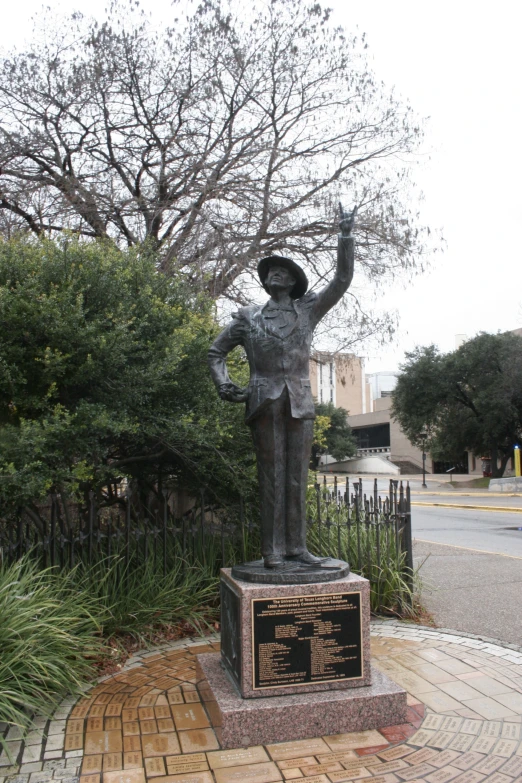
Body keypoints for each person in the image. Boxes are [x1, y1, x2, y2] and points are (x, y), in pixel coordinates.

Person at [208, 206, 356, 569]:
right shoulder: (247, 318)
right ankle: (271, 550)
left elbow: (341, 280)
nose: (273, 274)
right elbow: (216, 352)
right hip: (263, 402)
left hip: (300, 403)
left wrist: (345, 237)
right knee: (271, 479)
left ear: (292, 282)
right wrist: (224, 383)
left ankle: (297, 549)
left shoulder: (308, 310)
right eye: (270, 271)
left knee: (295, 478)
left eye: (282, 271)